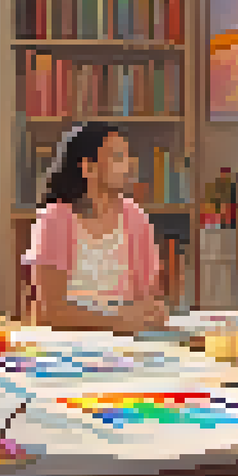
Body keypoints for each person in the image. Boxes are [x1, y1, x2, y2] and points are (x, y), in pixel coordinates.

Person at [22, 122, 166, 335]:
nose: (127, 165)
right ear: (88, 167)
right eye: (117, 157)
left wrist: (153, 311)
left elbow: (147, 297)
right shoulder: (55, 219)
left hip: (126, 343)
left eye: (127, 157)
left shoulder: (136, 218)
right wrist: (119, 321)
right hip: (69, 344)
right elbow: (52, 310)